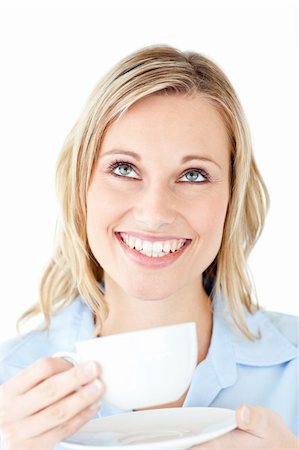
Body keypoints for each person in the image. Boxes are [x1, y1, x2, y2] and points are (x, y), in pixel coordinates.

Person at [0, 44, 298, 450]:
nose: (155, 212)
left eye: (193, 175)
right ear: (81, 187)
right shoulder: (8, 388)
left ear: (232, 197)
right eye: (124, 169)